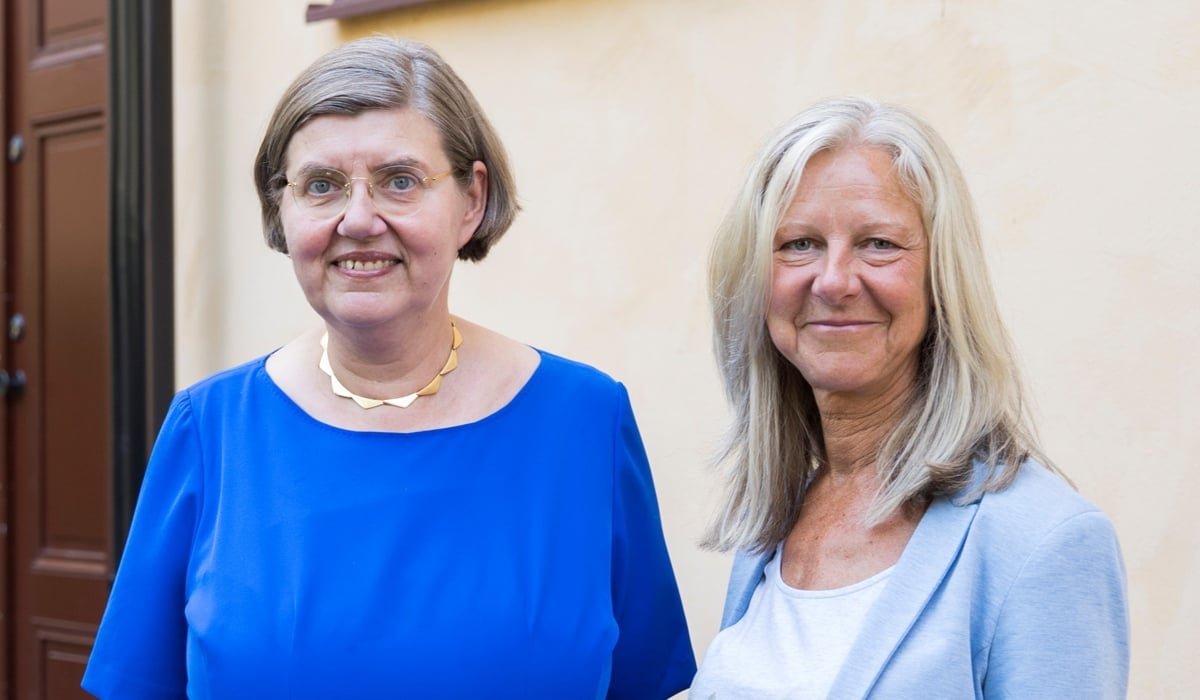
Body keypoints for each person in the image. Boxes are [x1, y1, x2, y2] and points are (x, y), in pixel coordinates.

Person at [82, 36, 695, 699]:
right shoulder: (211, 432)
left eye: (399, 180)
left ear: (470, 200)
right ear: (283, 212)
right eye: (321, 185)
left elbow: (642, 683)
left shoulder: (586, 420)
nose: (359, 219)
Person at [688, 96, 1128, 699]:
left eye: (878, 243)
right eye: (798, 243)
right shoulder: (780, 518)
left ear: (941, 276)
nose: (835, 280)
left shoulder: (1045, 540)